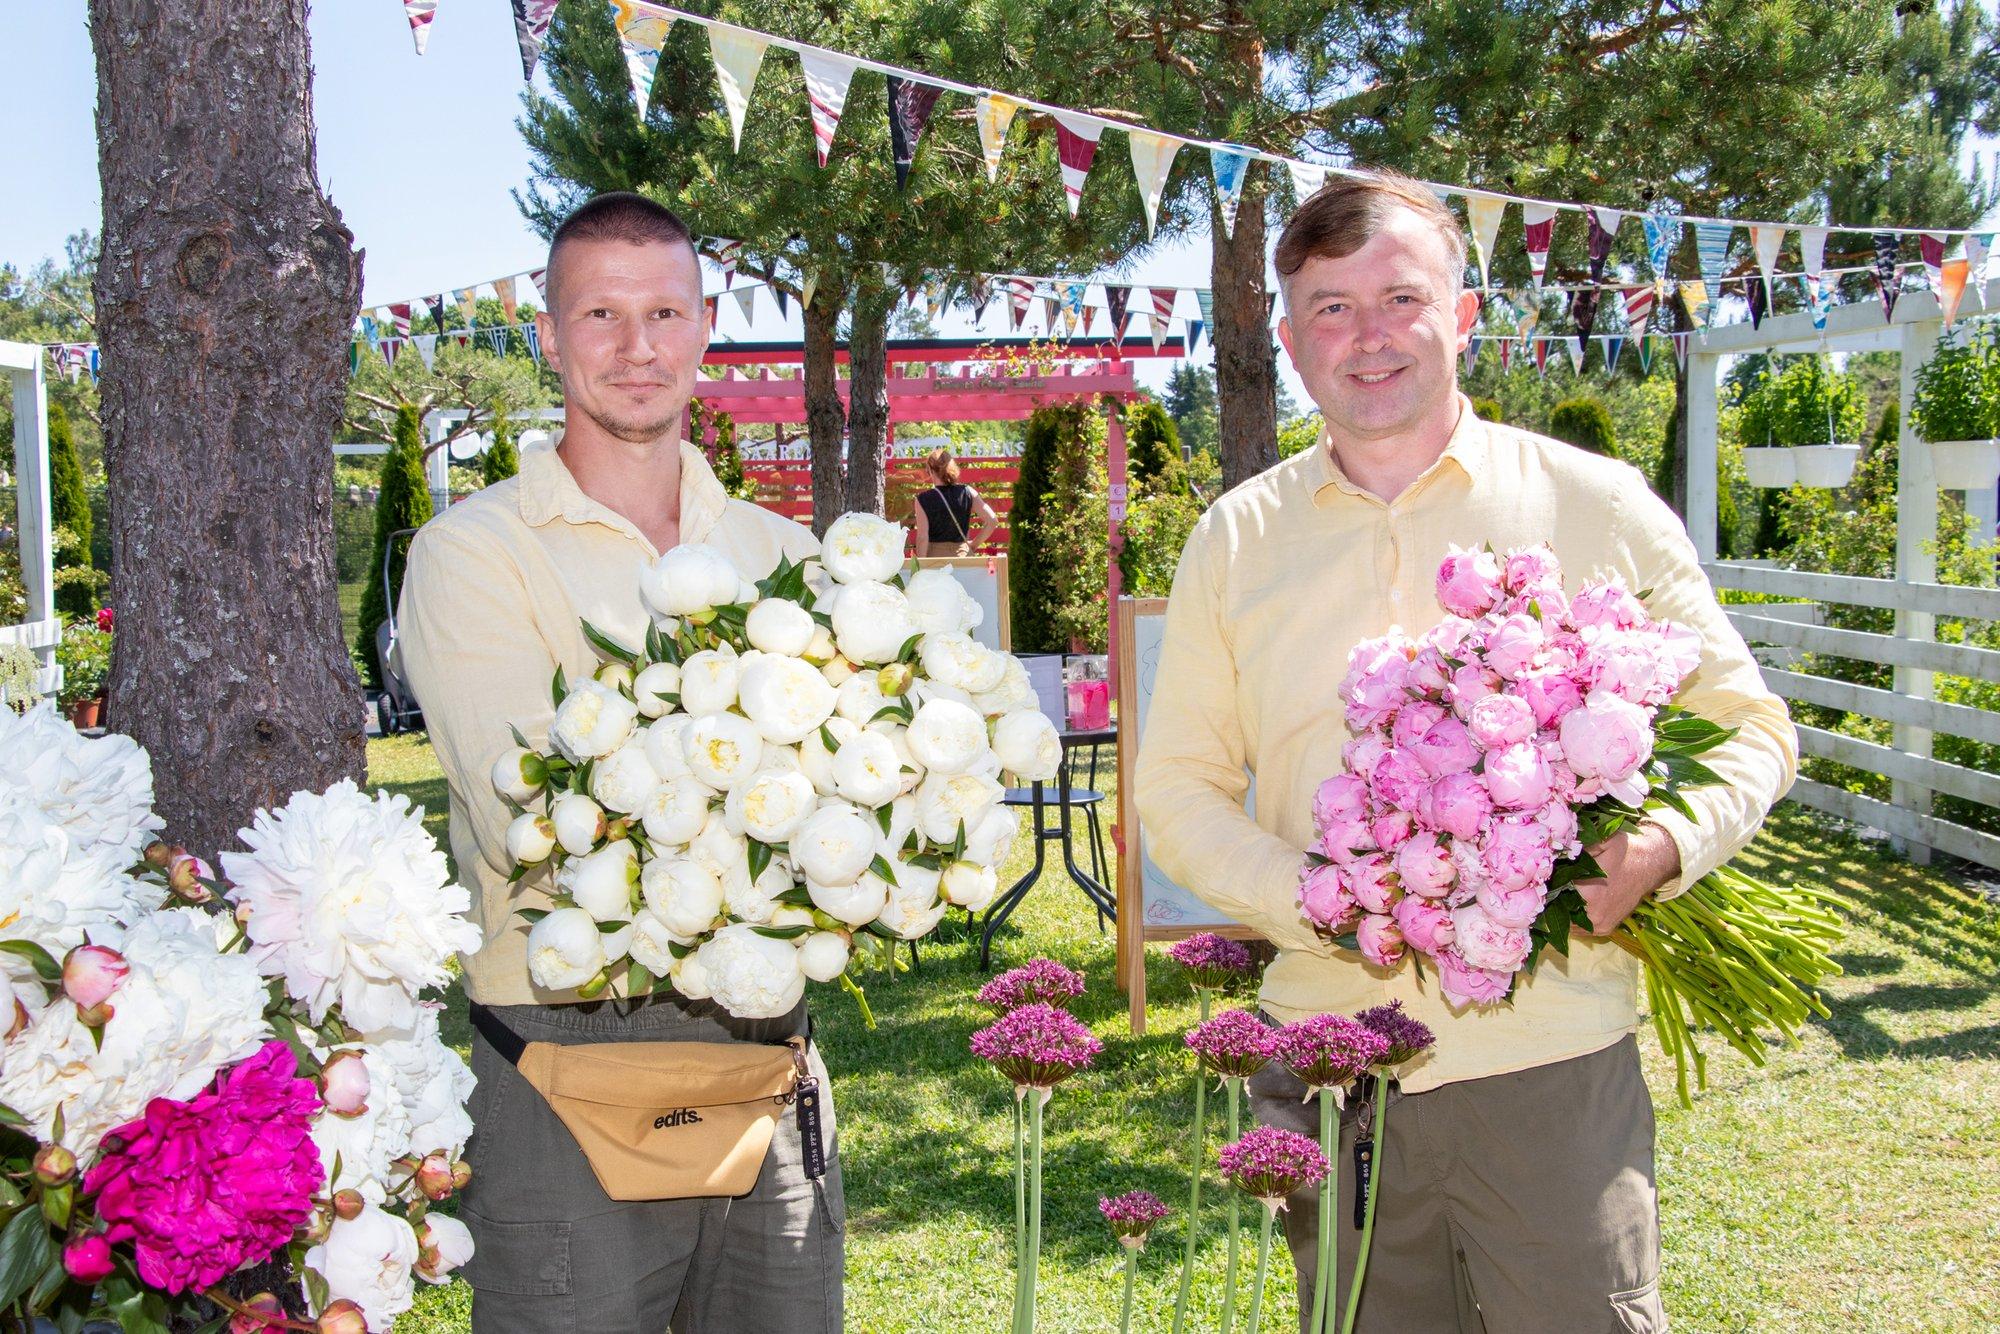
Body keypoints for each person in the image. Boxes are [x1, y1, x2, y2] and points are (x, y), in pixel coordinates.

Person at [1133, 170, 1796, 1333]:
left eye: (1399, 297)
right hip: (1332, 1063)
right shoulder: (1234, 537)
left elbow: (1749, 730)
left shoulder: (1593, 502)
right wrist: (1315, 896)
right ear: (1289, 341)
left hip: (1544, 1057)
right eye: (1330, 309)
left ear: (1464, 312)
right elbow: (1177, 790)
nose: (1368, 336)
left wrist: (1654, 846)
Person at [397, 192, 841, 1333]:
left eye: (663, 312)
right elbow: (534, 827)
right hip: (567, 1044)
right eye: (599, 313)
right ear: (546, 335)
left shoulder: (783, 555)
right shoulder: (471, 553)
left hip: (762, 1046)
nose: (635, 347)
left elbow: (856, 800)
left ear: (705, 327)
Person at [908, 446, 998, 556]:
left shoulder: (923, 499)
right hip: (962, 556)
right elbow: (992, 521)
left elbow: (922, 537)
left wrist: (921, 566)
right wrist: (973, 545)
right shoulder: (968, 492)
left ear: (931, 470)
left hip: (936, 558)